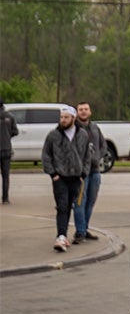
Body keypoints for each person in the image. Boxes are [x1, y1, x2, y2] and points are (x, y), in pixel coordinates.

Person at [42, 106, 89, 252]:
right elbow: (46, 155)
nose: (63, 120)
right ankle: (60, 236)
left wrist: (83, 173)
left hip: (75, 177)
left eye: (66, 117)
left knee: (69, 206)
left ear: (73, 118)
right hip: (60, 177)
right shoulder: (53, 135)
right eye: (61, 117)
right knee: (61, 206)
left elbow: (87, 155)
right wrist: (53, 173)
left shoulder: (82, 135)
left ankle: (64, 235)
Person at [71, 101, 105, 244]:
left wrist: (97, 157)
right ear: (77, 112)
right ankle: (80, 232)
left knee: (90, 202)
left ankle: (85, 228)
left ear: (90, 112)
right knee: (79, 202)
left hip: (95, 171)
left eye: (86, 109)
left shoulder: (95, 128)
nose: (83, 112)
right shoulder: (73, 129)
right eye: (80, 110)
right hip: (80, 174)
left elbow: (103, 145)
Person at [0, 98, 17, 204]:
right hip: (6, 149)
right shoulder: (9, 116)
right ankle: (5, 198)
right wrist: (7, 136)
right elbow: (15, 131)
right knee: (5, 176)